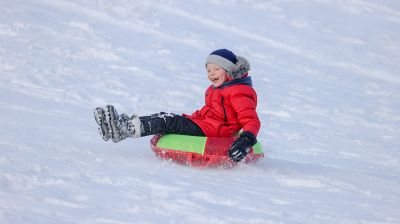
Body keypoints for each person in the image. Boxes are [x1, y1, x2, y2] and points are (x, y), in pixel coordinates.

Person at [94, 49, 260, 162]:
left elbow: (250, 119)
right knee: (166, 118)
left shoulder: (239, 91)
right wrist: (190, 118)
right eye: (208, 70)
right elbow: (209, 112)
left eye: (216, 69)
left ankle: (124, 129)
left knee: (167, 121)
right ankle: (118, 127)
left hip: (216, 132)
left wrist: (247, 139)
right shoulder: (215, 90)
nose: (211, 74)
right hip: (206, 125)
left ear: (229, 70)